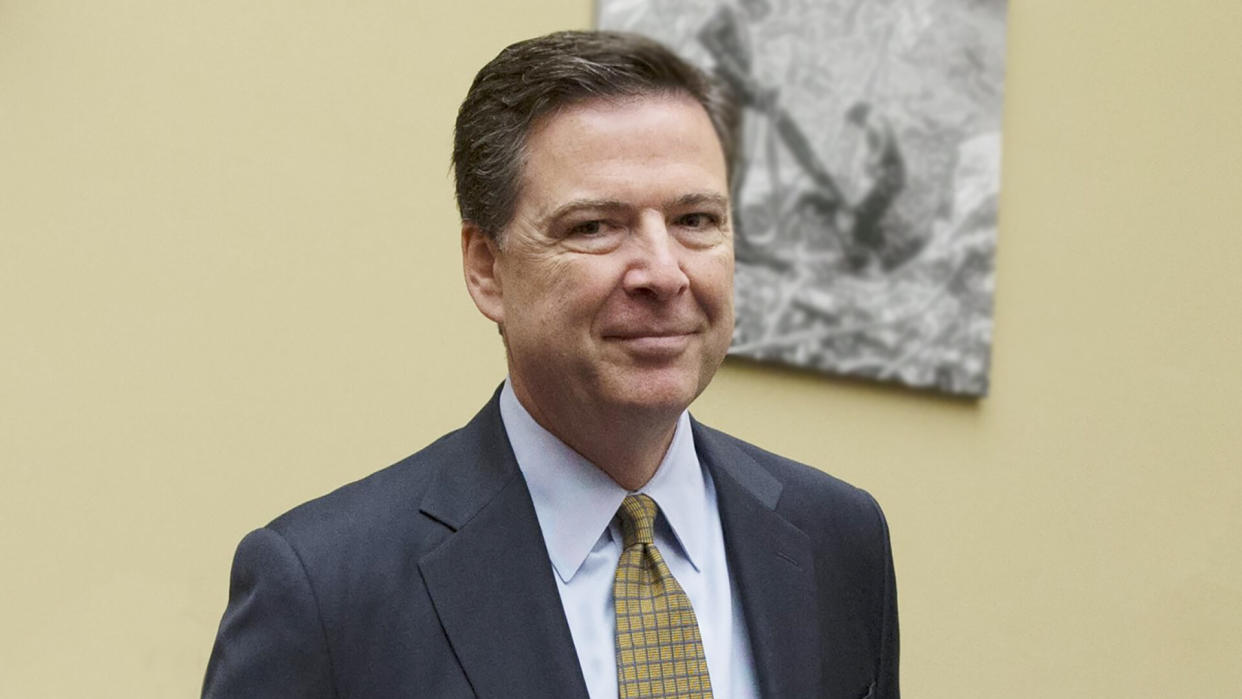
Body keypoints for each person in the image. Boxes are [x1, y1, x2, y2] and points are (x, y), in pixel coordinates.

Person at [203, 30, 899, 699]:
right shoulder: (327, 588)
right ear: (486, 270)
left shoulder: (839, 538)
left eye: (696, 220)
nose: (663, 272)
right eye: (595, 226)